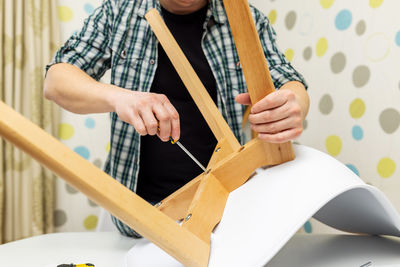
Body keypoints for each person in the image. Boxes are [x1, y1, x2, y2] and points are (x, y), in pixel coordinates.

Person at [44, 0, 309, 237]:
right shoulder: (118, 12)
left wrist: (292, 104)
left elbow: (290, 84)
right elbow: (56, 82)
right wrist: (119, 97)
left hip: (225, 216)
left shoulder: (245, 18)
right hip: (139, 218)